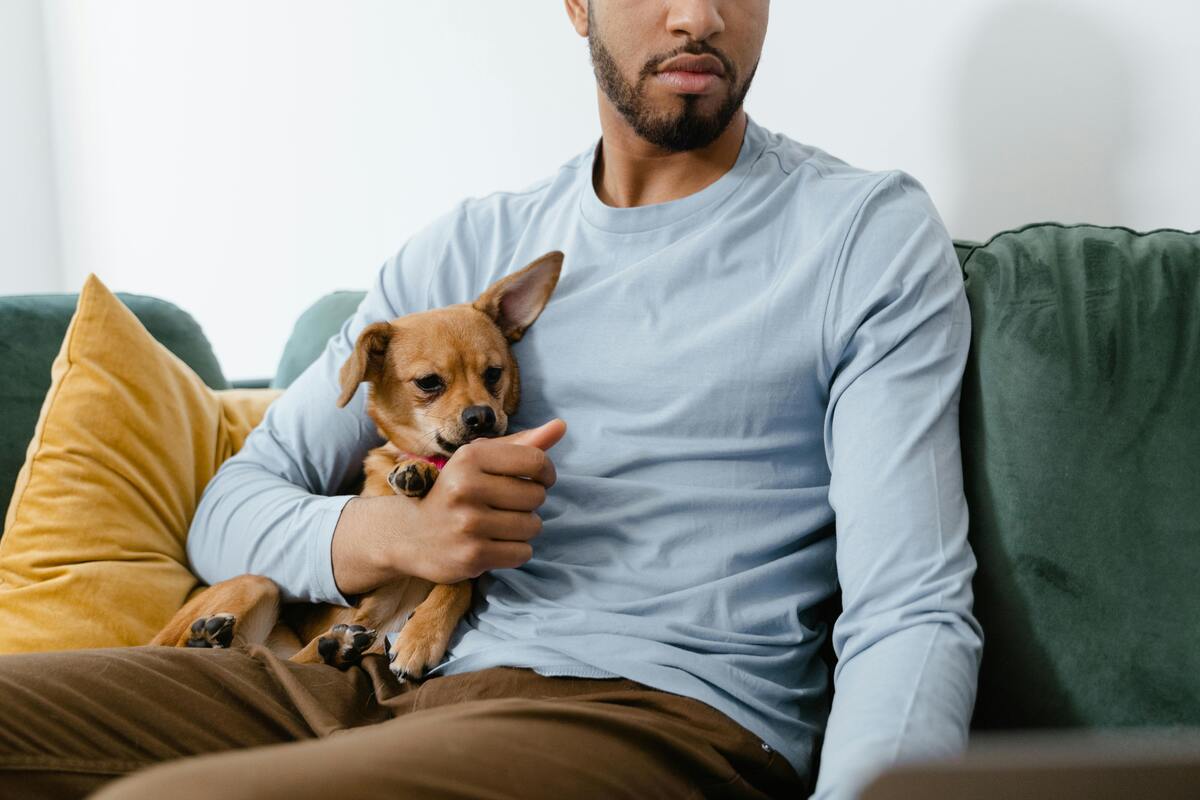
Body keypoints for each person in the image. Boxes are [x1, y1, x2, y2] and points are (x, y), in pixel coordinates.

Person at [0, 1, 983, 798]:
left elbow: (913, 603)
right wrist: (397, 539)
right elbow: (231, 509)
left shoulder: (862, 234)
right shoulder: (466, 255)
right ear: (576, 5)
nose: (699, 17)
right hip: (354, 676)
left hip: (644, 715)